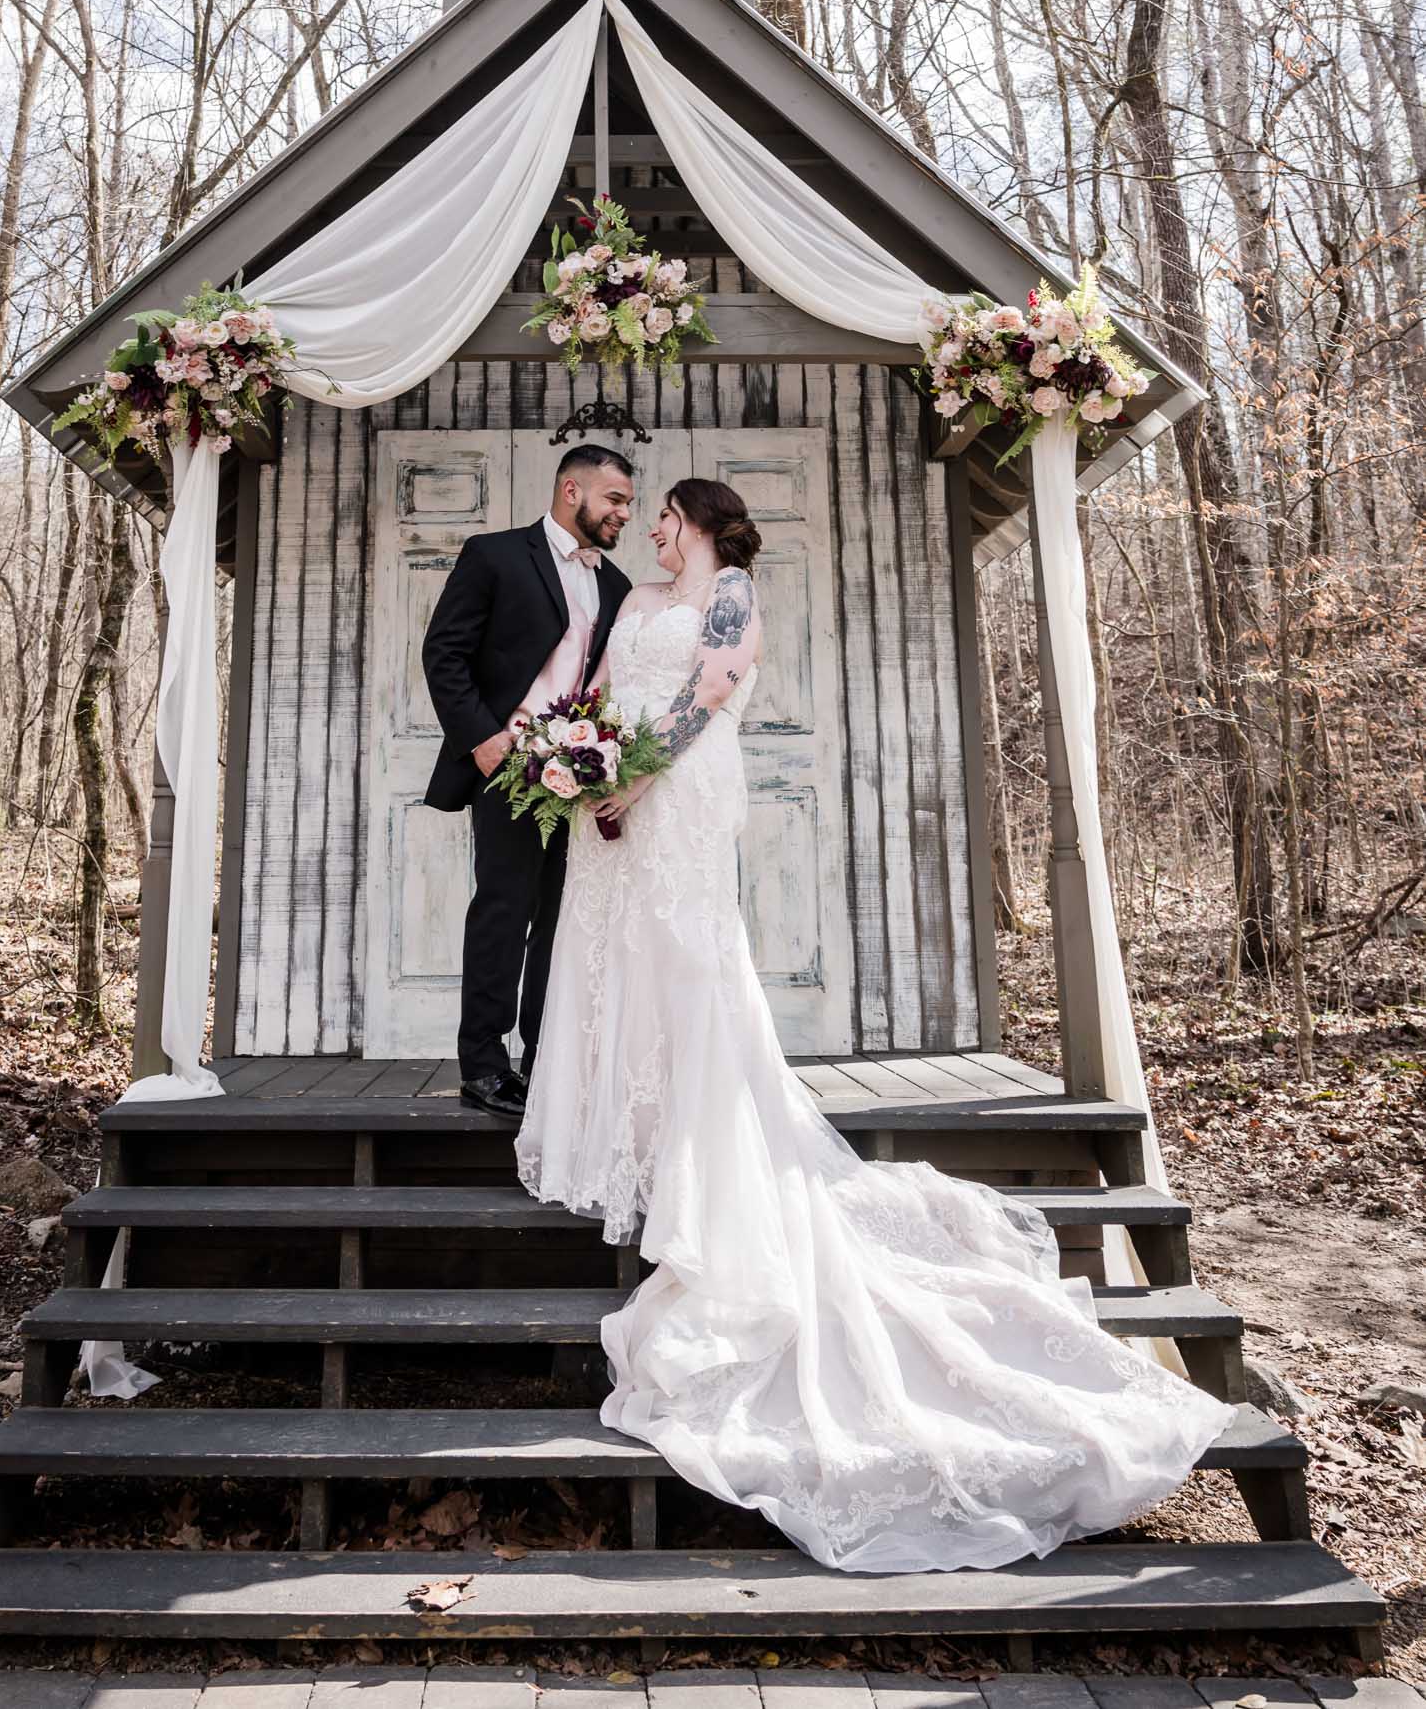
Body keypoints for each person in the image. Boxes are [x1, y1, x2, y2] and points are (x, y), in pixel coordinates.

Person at [517, 475, 1233, 1573]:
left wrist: (632, 777)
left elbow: (707, 694)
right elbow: (605, 687)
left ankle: (704, 1140)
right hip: (614, 803)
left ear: (701, 524)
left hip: (684, 794)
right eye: (649, 516)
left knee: (692, 965)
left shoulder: (730, 593)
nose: (653, 529)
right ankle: (636, 1120)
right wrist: (578, 760)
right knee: (622, 961)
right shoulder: (630, 603)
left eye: (666, 516)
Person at [422, 444, 634, 1114]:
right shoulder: (495, 555)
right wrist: (483, 741)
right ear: (571, 491)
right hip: (506, 764)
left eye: (627, 503)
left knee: (561, 921)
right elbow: (444, 653)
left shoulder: (616, 585)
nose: (622, 514)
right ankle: (482, 1067)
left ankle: (545, 1061)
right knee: (503, 911)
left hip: (577, 769)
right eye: (614, 500)